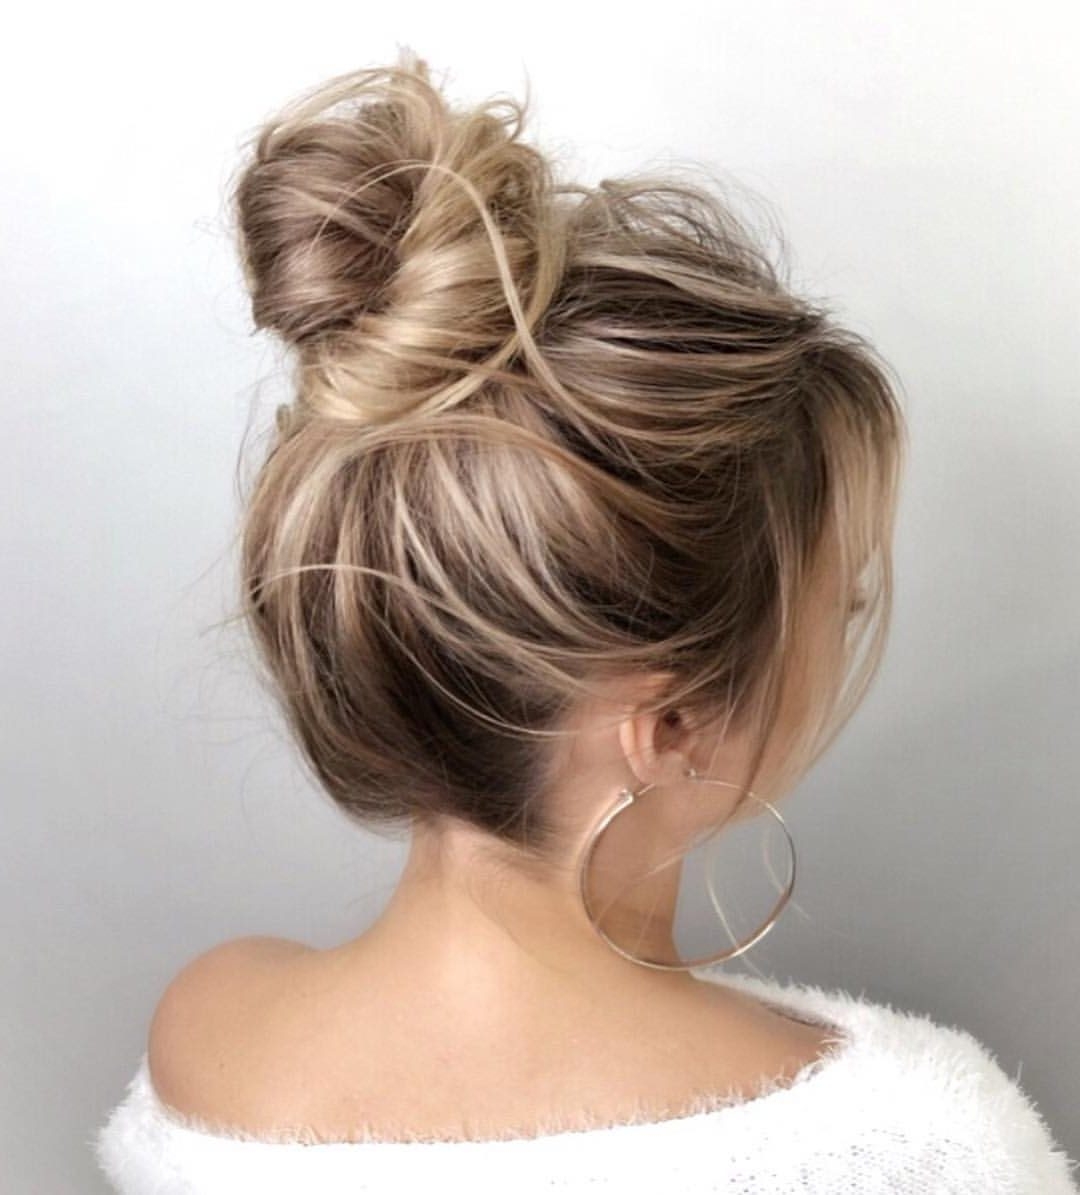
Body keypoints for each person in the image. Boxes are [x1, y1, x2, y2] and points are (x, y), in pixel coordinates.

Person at [93, 47, 1079, 1193]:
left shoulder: (211, 1031)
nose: (846, 637)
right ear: (668, 724)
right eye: (840, 601)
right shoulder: (917, 1145)